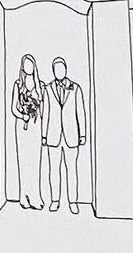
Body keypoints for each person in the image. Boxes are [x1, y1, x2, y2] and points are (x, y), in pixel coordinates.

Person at [43, 57, 89, 213]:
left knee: (72, 169)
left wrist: (82, 133)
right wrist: (44, 135)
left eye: (61, 69)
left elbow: (80, 112)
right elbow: (46, 113)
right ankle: (55, 200)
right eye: (56, 70)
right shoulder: (48, 89)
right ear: (53, 71)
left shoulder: (75, 88)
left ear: (66, 70)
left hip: (71, 136)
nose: (59, 72)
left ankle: (73, 201)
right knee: (53, 169)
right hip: (53, 136)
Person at [8, 53, 47, 209]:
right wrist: (23, 115)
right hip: (22, 126)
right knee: (23, 160)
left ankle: (35, 196)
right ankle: (24, 196)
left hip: (36, 126)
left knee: (35, 160)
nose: (28, 67)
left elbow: (44, 108)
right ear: (22, 67)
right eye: (26, 64)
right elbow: (13, 108)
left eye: (31, 64)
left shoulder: (41, 86)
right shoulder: (18, 84)